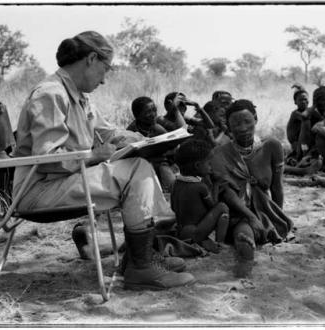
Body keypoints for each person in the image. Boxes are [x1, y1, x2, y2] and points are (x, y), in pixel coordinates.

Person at [12, 30, 195, 290]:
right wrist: (94, 155)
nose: (104, 80)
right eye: (105, 69)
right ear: (91, 59)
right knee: (134, 170)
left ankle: (138, 257)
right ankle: (140, 265)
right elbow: (47, 159)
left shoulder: (78, 95)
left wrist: (145, 140)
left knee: (138, 164)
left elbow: (109, 132)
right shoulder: (50, 94)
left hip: (62, 182)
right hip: (38, 189)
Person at [209, 99, 293, 277]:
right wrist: (251, 217)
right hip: (237, 214)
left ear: (256, 119)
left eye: (247, 121)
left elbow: (277, 186)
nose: (242, 128)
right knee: (244, 238)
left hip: (265, 211)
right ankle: (244, 266)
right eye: (236, 124)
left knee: (263, 230)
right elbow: (227, 194)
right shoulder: (219, 154)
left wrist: (277, 216)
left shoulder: (272, 146)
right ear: (228, 127)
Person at [171, 138, 230, 253]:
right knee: (223, 207)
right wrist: (216, 185)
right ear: (197, 165)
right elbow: (214, 206)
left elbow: (173, 207)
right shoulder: (200, 187)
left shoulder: (176, 183)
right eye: (208, 163)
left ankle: (202, 241)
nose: (211, 167)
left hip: (181, 231)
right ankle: (220, 242)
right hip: (195, 232)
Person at [126, 96, 178, 193]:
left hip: (161, 164)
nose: (153, 114)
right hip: (140, 166)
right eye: (148, 112)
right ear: (137, 115)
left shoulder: (158, 128)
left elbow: (173, 148)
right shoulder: (131, 131)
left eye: (154, 110)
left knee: (173, 187)